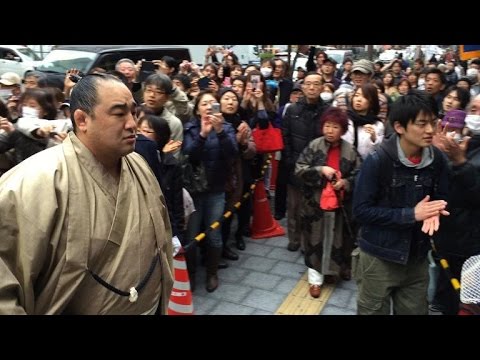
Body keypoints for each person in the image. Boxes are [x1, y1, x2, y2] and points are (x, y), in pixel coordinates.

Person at [0, 73, 174, 314]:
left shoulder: (139, 164)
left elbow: (161, 236)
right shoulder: (36, 180)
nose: (133, 123)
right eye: (118, 113)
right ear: (82, 119)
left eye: (133, 112)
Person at [352, 90, 450, 315]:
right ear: (399, 127)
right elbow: (361, 211)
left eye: (433, 122)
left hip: (417, 258)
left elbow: (444, 196)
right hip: (379, 258)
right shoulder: (377, 161)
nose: (429, 130)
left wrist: (436, 210)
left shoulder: (438, 160)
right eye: (421, 123)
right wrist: (410, 215)